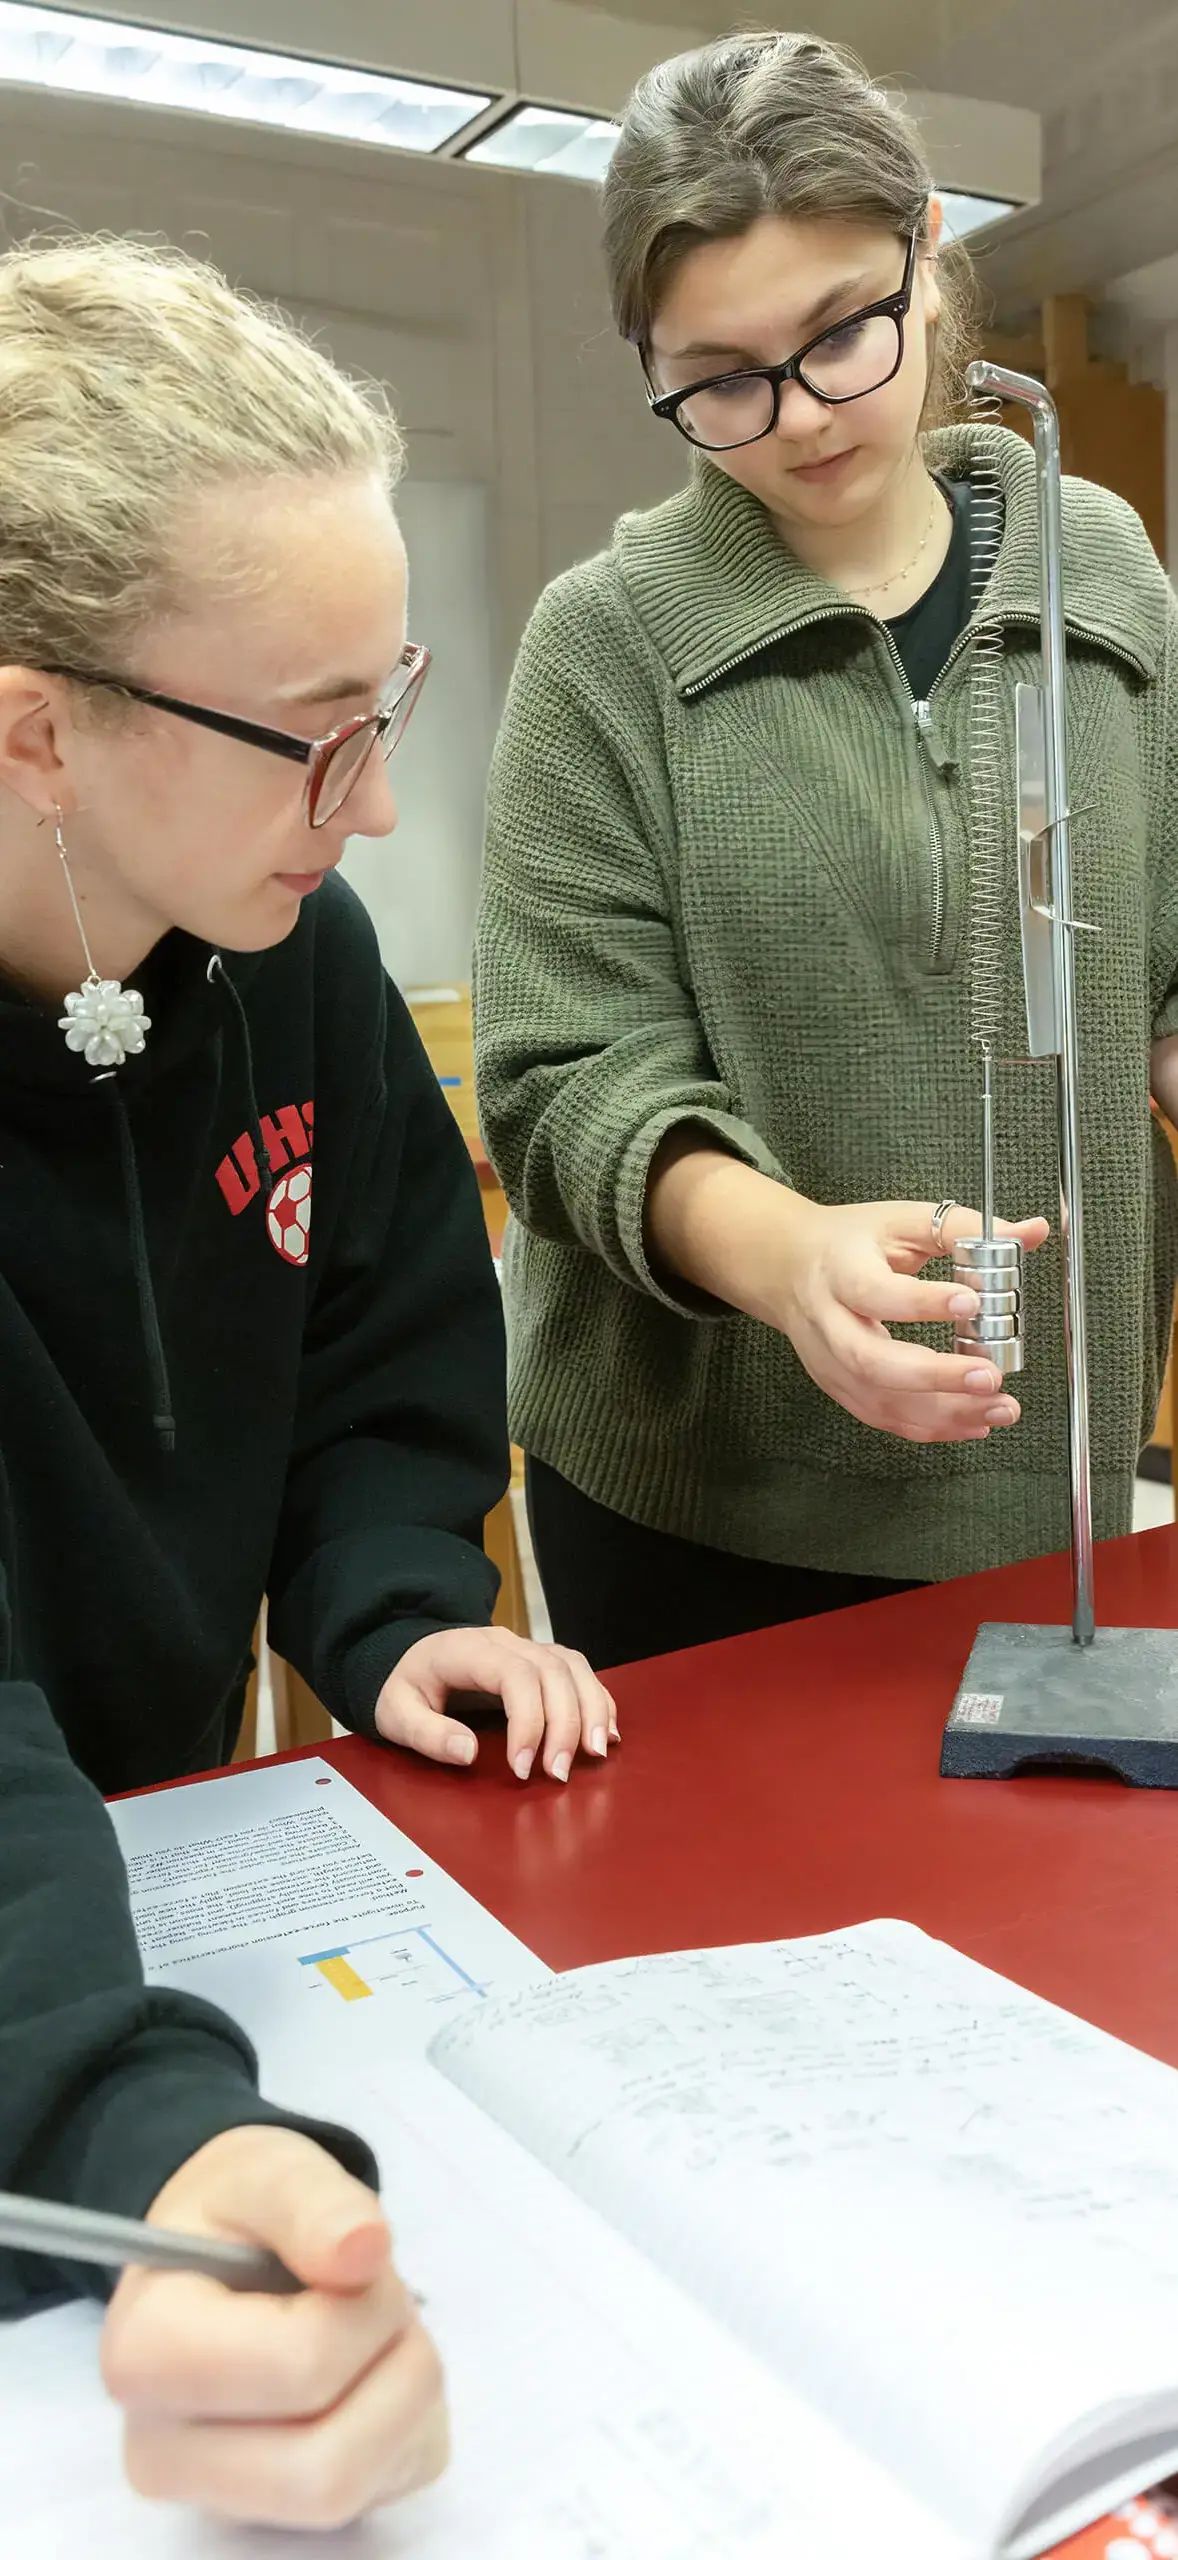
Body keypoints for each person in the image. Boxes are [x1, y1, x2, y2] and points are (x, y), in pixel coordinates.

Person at [0, 231, 616, 2526]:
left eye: (394, 700)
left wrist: (386, 1600)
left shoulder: (298, 950)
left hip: (176, 1851)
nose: (370, 807)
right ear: (36, 721)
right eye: (308, 730)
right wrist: (125, 2119)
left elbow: (380, 1341)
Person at [474, 28, 1178, 1671]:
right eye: (717, 376)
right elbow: (566, 1082)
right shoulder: (609, 644)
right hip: (703, 1513)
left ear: (929, 250)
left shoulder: (1102, 569)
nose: (796, 417)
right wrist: (787, 1262)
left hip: (1045, 1483)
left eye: (840, 335)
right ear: (642, 355)